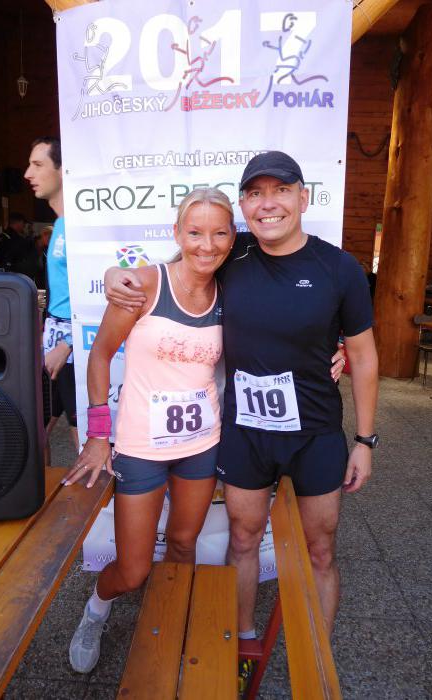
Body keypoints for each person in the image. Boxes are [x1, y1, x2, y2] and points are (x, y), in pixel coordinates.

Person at [64, 187, 348, 674]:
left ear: (231, 239)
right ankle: (96, 608)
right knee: (132, 569)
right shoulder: (144, 285)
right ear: (177, 233)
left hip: (201, 444)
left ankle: (168, 620)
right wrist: (96, 434)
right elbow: (100, 355)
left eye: (219, 234)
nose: (207, 244)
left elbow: (287, 321)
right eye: (195, 232)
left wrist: (337, 347)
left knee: (182, 545)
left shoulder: (230, 290)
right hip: (141, 446)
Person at [105, 151, 379, 640]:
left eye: (281, 191)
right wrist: (115, 276)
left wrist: (364, 440)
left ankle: (318, 658)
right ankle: (241, 642)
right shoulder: (231, 253)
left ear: (304, 198)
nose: (267, 204)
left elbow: (364, 355)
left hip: (315, 432)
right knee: (244, 538)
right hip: (246, 432)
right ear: (244, 206)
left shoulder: (340, 268)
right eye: (255, 193)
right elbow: (175, 266)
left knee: (321, 549)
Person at [24, 138, 79, 458]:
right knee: (37, 431)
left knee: (85, 439)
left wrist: (69, 343)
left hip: (72, 347)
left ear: (62, 169)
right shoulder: (59, 224)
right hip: (54, 339)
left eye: (38, 165)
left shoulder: (81, 225)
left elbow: (98, 293)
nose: (28, 174)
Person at [0, 212, 37, 278]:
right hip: (12, 274)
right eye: (24, 223)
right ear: (19, 222)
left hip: (3, 272)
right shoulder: (13, 238)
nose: (24, 225)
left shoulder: (3, 235)